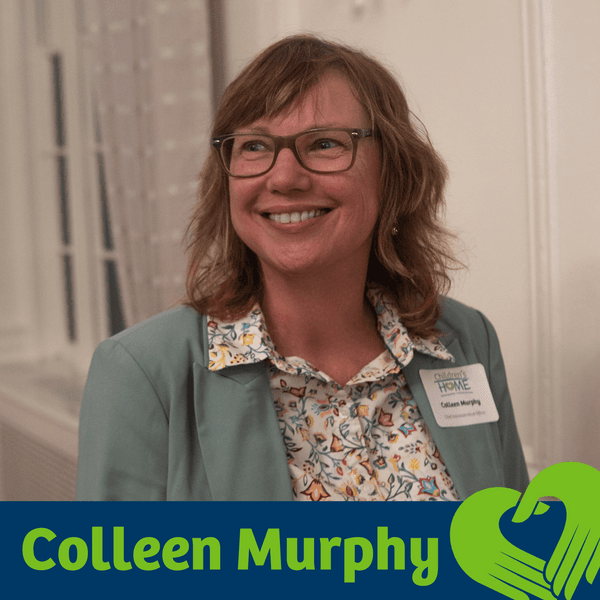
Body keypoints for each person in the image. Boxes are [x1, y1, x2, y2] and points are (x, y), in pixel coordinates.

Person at [77, 34, 528, 501]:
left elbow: (511, 537)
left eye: (325, 143)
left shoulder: (465, 339)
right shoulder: (141, 373)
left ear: (392, 171)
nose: (285, 177)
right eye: (254, 146)